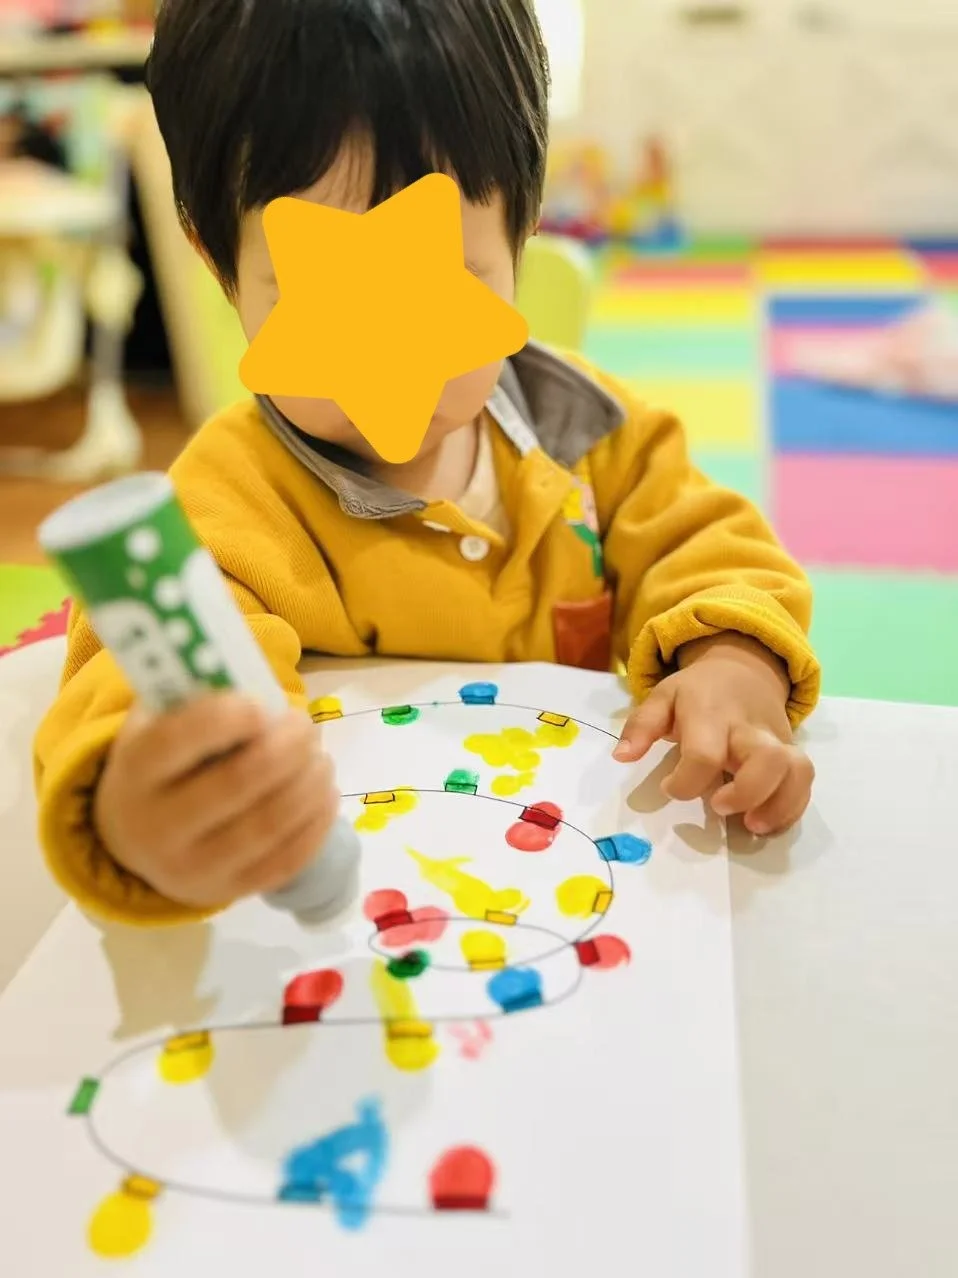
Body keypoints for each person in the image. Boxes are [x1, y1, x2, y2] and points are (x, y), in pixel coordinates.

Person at [34, 0, 820, 926]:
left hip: (584, 892)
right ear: (220, 267)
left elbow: (713, 549)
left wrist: (730, 660)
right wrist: (149, 807)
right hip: (361, 930)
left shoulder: (597, 436)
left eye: (445, 280)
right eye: (327, 299)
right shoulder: (227, 511)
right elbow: (142, 688)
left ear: (524, 234)